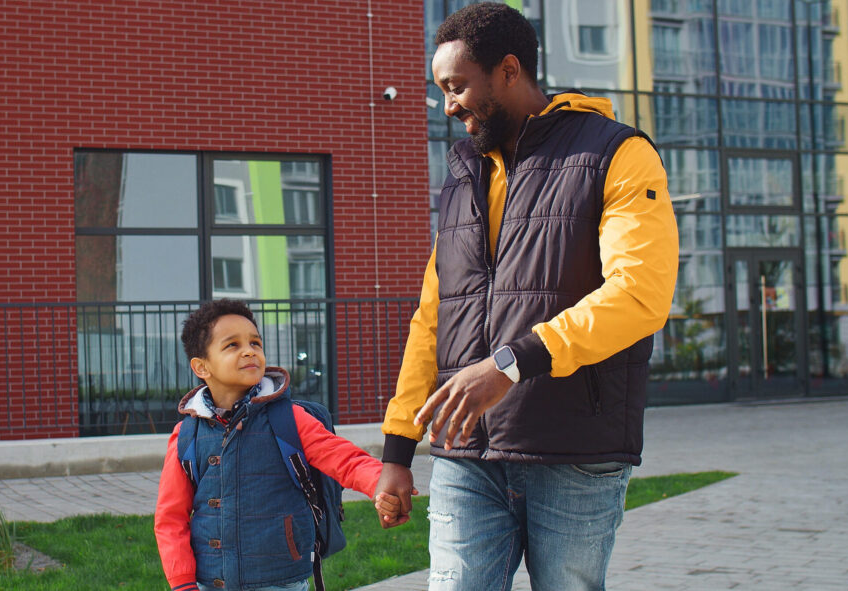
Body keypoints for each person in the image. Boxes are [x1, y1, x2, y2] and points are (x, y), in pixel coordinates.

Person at [374, 3, 679, 590]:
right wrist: (397, 449)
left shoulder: (616, 153)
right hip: (465, 452)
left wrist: (510, 365)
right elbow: (434, 316)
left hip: (572, 451)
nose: (448, 105)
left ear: (509, 71)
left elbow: (640, 294)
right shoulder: (464, 170)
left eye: (457, 86)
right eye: (442, 90)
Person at [154, 299, 403, 591]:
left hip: (280, 580)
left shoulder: (288, 419)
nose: (249, 350)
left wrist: (382, 484)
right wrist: (183, 583)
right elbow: (170, 518)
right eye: (232, 345)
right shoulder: (187, 434)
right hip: (211, 583)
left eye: (255, 343)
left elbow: (345, 460)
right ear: (201, 367)